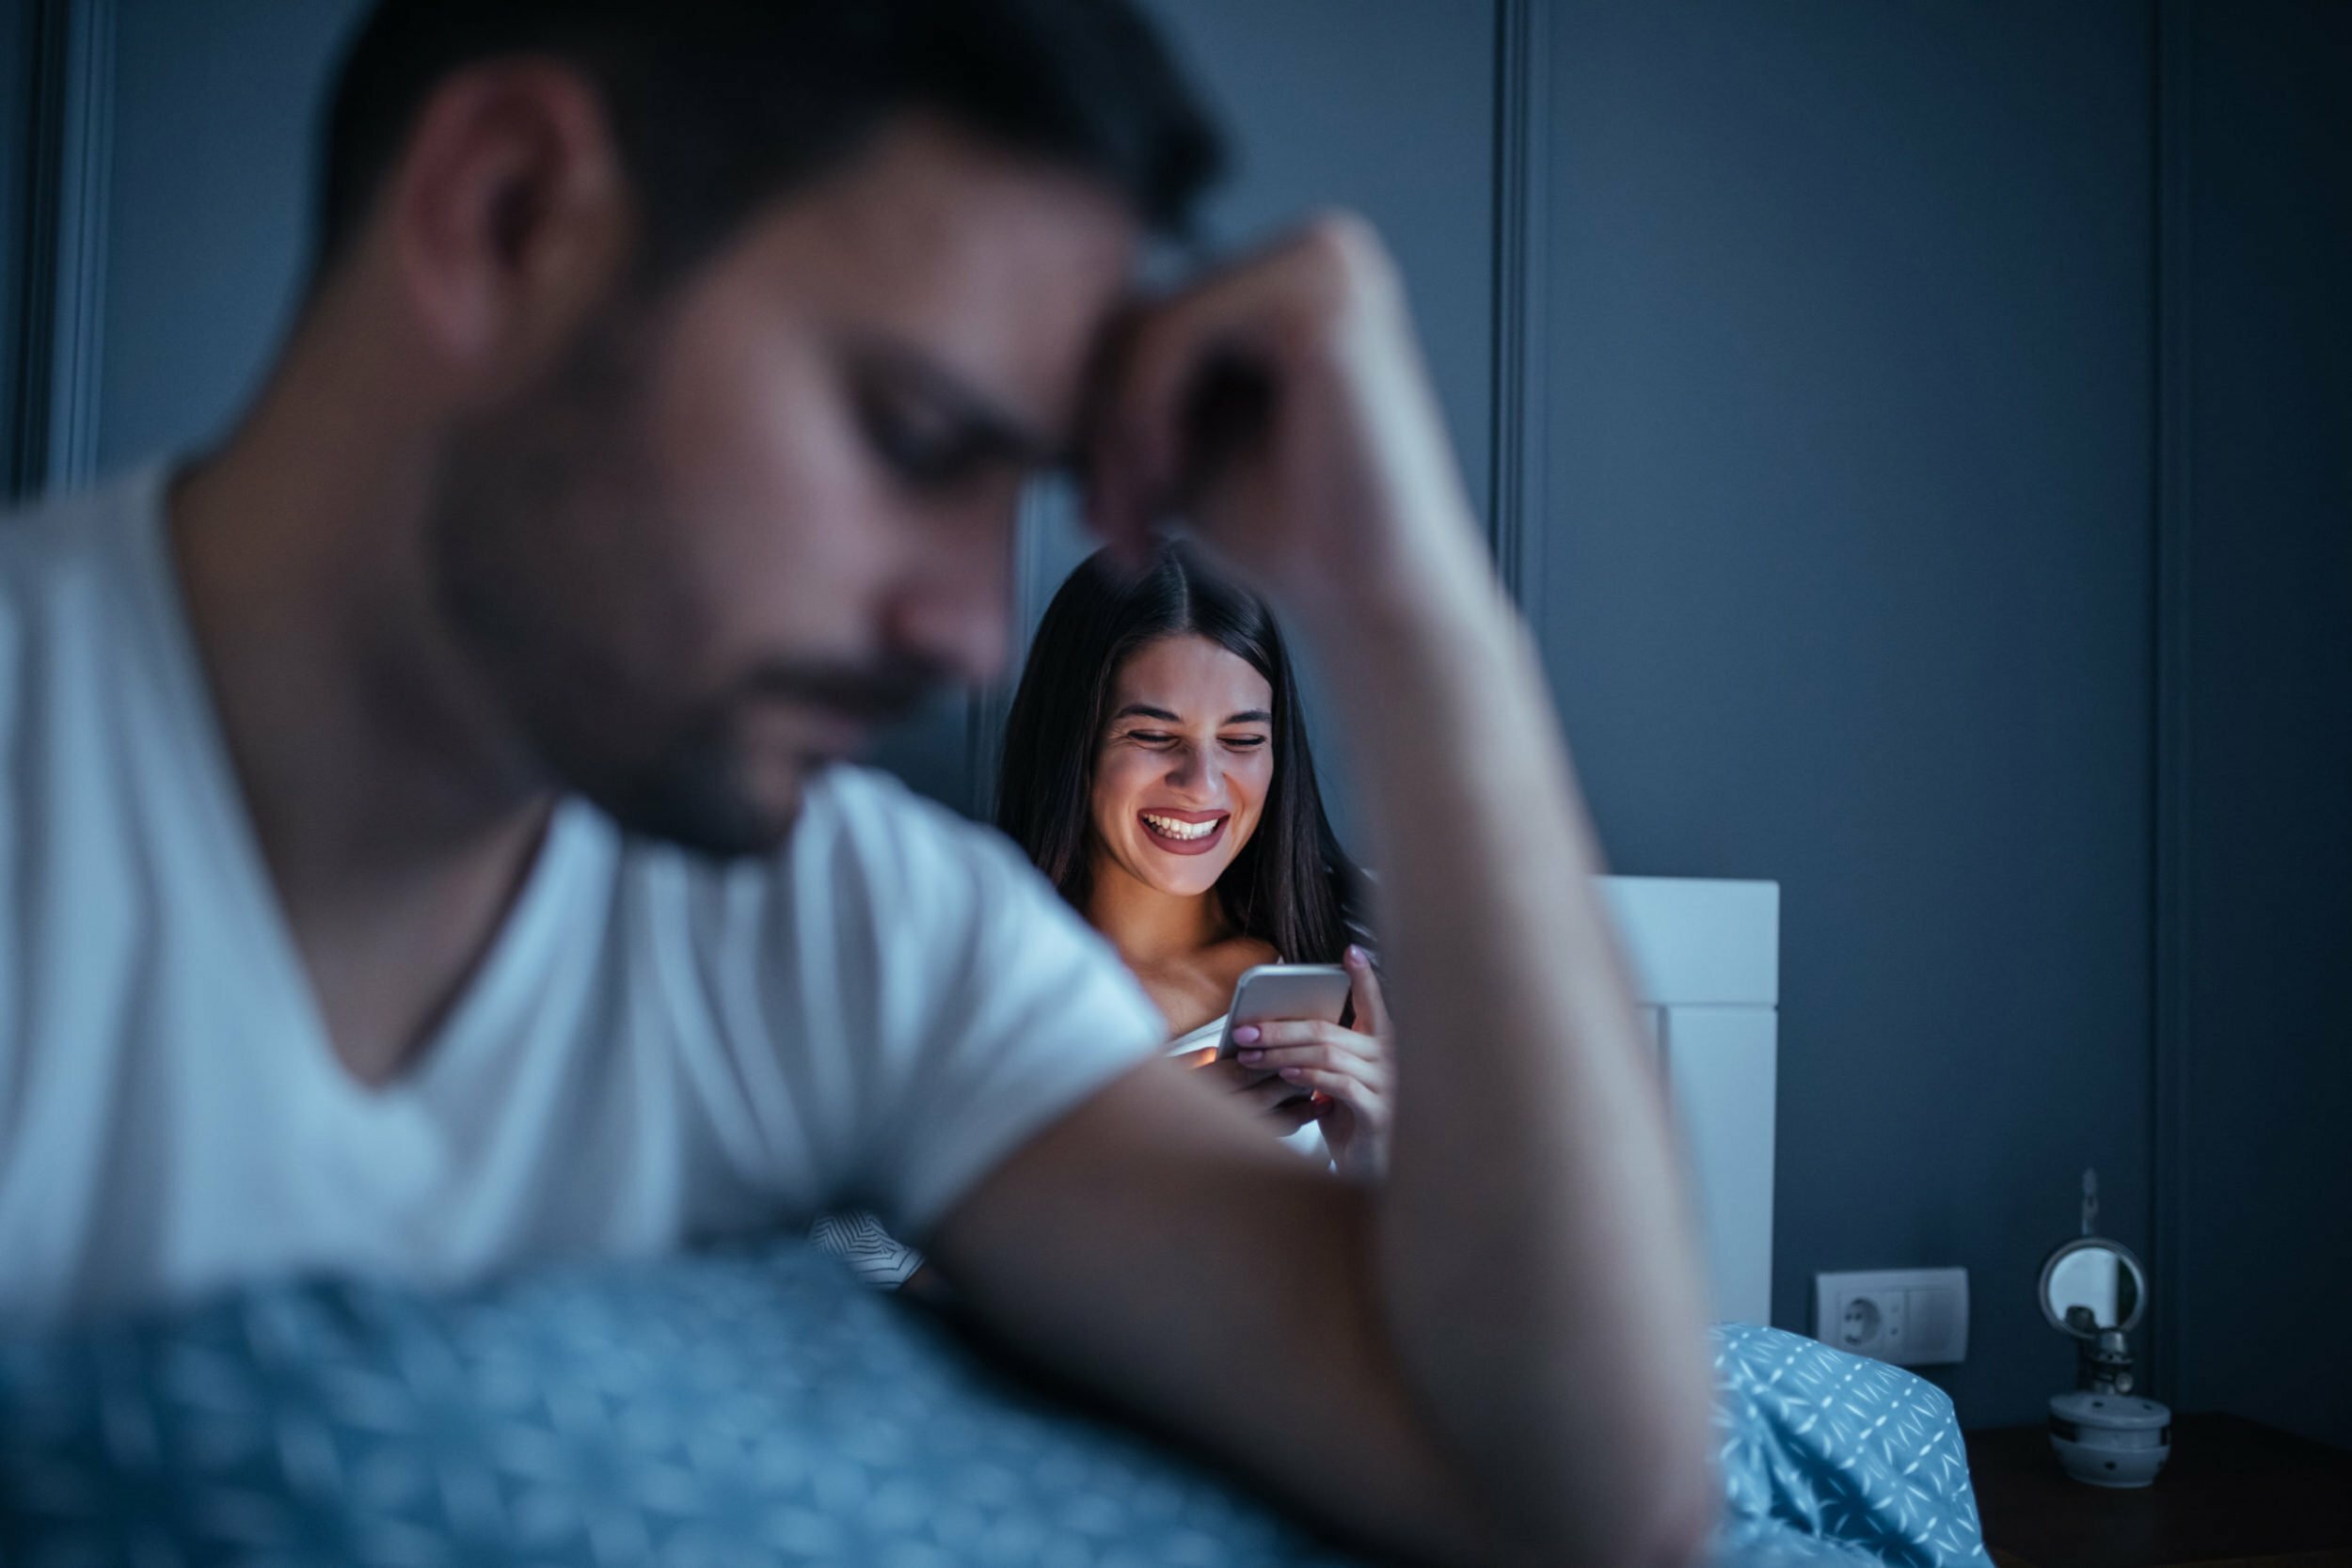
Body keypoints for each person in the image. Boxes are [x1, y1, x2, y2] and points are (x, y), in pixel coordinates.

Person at [0, 1, 1719, 1562]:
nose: (970, 635)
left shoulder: (854, 923)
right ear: (510, 215)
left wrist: (1420, 615)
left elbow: (1584, 1496)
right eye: (911, 437)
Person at [997, 543, 1391, 1176]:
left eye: (1241, 740)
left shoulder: (1370, 958)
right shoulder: (961, 975)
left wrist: (1378, 1167)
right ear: (1074, 740)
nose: (1203, 783)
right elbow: (854, 1259)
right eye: (1153, 736)